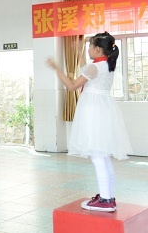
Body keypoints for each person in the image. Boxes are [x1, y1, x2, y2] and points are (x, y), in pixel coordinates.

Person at [47, 32, 132, 212]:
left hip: (94, 112)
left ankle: (106, 200)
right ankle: (108, 196)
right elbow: (84, 68)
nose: (88, 50)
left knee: (98, 156)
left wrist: (56, 68)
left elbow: (71, 86)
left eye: (90, 46)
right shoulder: (105, 64)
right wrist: (79, 51)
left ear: (98, 49)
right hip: (102, 110)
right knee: (103, 156)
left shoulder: (95, 67)